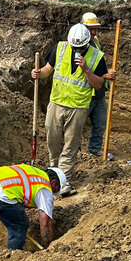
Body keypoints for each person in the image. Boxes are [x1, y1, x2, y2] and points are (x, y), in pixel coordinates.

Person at [31, 23, 107, 195]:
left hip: (78, 107)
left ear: (87, 42)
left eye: (80, 47)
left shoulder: (97, 56)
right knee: (53, 140)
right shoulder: (60, 48)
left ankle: (64, 181)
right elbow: (47, 70)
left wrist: (86, 69)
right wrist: (38, 73)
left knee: (71, 145)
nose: (76, 50)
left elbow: (98, 84)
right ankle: (53, 174)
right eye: (74, 47)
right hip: (57, 102)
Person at [0, 164, 66, 257]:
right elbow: (45, 222)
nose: (52, 194)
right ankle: (13, 259)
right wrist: (51, 246)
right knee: (19, 225)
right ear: (53, 183)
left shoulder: (34, 172)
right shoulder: (45, 188)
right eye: (55, 190)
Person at [81, 12, 117, 158]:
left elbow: (97, 65)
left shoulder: (95, 42)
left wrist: (104, 73)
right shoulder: (79, 44)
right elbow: (81, 70)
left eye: (95, 28)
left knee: (100, 124)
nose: (94, 32)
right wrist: (104, 75)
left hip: (99, 92)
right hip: (86, 93)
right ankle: (74, 150)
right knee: (77, 124)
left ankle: (95, 149)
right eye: (90, 29)